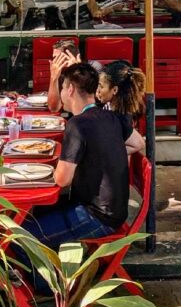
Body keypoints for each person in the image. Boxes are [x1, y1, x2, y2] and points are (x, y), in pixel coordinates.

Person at [23, 62, 132, 249]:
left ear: (71, 89)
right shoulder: (110, 116)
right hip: (114, 210)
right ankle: (52, 269)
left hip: (98, 216)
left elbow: (62, 179)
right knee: (33, 214)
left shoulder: (77, 125)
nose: (62, 94)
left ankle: (45, 279)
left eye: (63, 88)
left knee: (21, 239)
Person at [96, 60, 147, 156]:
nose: (98, 90)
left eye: (101, 87)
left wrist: (108, 153)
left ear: (114, 90)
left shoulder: (120, 118)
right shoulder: (110, 105)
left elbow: (139, 144)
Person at [47, 39, 81, 113]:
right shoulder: (60, 72)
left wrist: (75, 73)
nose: (54, 62)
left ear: (69, 57)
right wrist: (54, 79)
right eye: (54, 58)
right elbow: (54, 108)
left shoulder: (89, 72)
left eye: (58, 58)